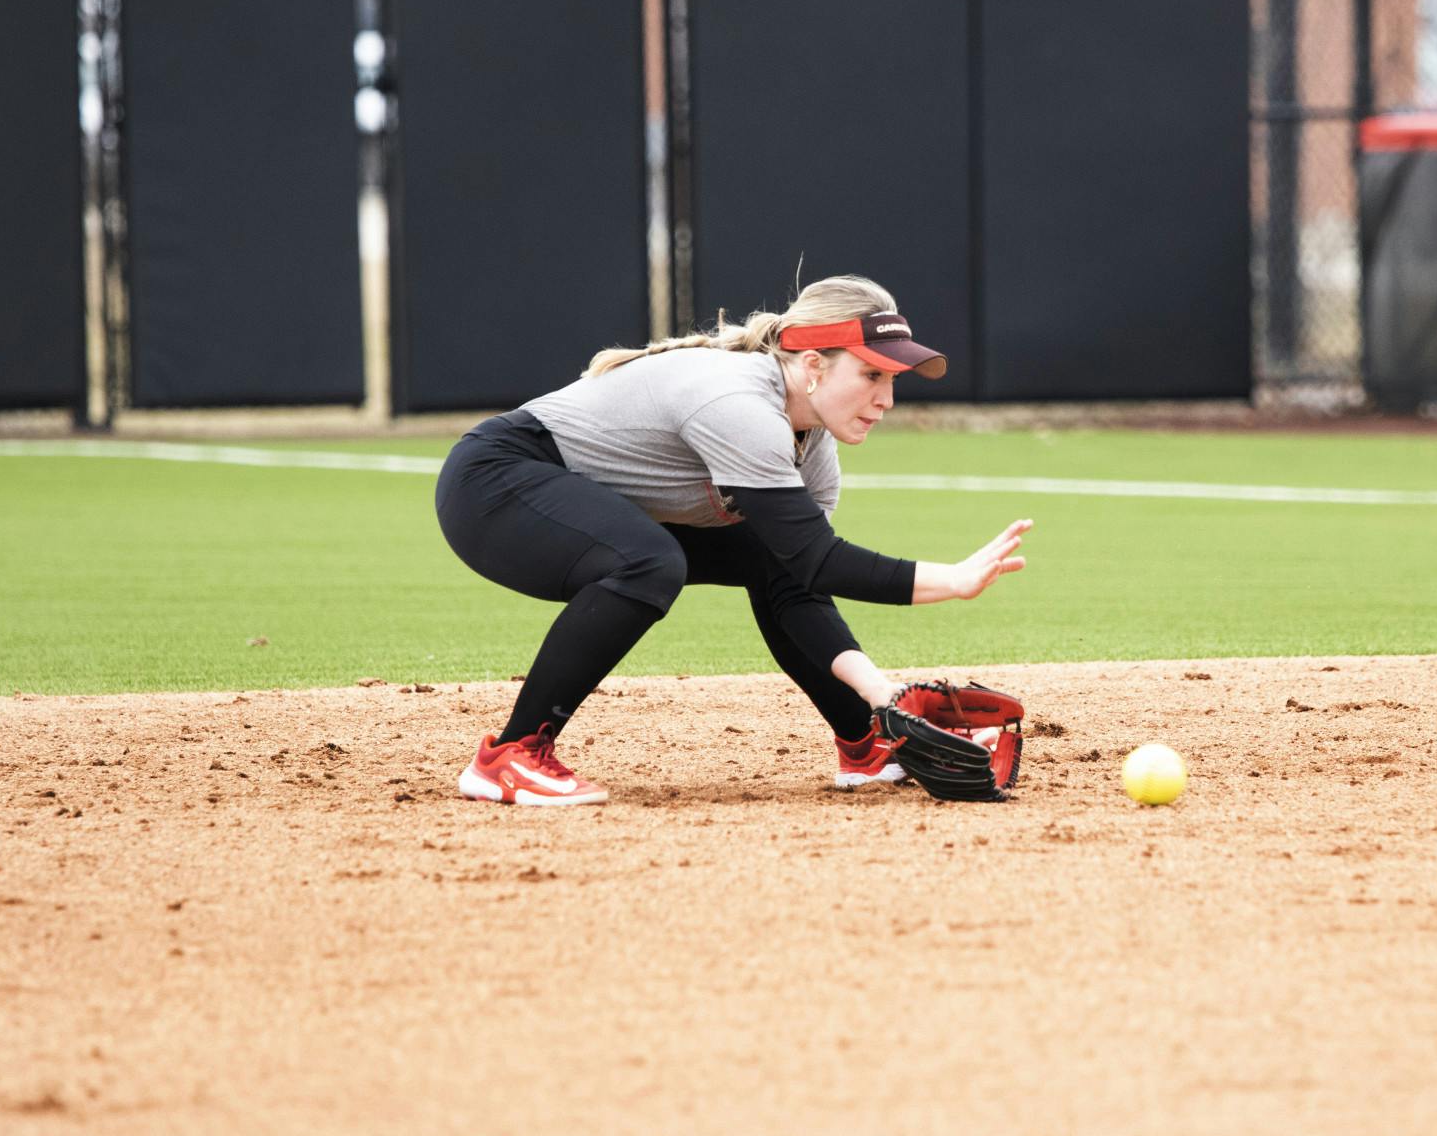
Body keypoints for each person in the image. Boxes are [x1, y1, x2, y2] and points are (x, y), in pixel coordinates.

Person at [434, 274, 1032, 806]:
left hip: (569, 499)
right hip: (495, 489)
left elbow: (799, 579)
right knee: (649, 563)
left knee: (766, 559)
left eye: (893, 378)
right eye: (872, 373)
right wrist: (951, 581)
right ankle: (510, 755)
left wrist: (881, 696)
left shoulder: (812, 440)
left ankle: (864, 743)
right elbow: (822, 561)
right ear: (815, 365)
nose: (886, 399)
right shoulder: (739, 403)